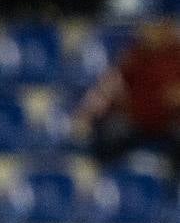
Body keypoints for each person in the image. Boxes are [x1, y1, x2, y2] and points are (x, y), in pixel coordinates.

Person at [76, 18, 180, 181]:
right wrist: (86, 114)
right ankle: (103, 183)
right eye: (147, 26)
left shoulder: (176, 56)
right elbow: (109, 86)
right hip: (135, 120)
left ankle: (172, 192)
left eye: (156, 26)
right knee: (109, 134)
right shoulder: (135, 54)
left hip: (168, 122)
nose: (148, 31)